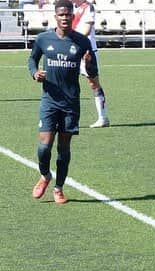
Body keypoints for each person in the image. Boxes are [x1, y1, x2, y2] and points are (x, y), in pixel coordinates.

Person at [28, 0, 98, 205]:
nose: (65, 17)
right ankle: (45, 176)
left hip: (71, 103)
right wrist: (35, 73)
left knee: (64, 149)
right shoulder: (43, 39)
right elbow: (32, 60)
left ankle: (58, 188)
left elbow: (93, 74)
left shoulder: (82, 42)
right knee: (44, 147)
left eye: (68, 14)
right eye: (61, 14)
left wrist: (88, 65)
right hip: (49, 100)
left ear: (72, 16)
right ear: (55, 16)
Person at [72, 0, 109, 128]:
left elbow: (86, 30)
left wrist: (68, 38)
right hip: (71, 51)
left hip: (87, 51)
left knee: (94, 83)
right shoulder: (72, 8)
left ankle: (103, 118)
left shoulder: (88, 7)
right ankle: (68, 119)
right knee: (68, 83)